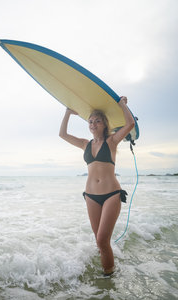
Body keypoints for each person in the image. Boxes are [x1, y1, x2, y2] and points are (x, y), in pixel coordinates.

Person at [59, 96, 135, 276]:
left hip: (111, 195)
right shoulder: (85, 144)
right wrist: (68, 113)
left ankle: (109, 281)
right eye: (90, 121)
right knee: (99, 242)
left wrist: (121, 104)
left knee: (102, 240)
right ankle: (105, 278)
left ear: (104, 124)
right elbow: (62, 134)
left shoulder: (112, 141)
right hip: (91, 196)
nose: (93, 124)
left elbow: (130, 124)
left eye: (97, 121)